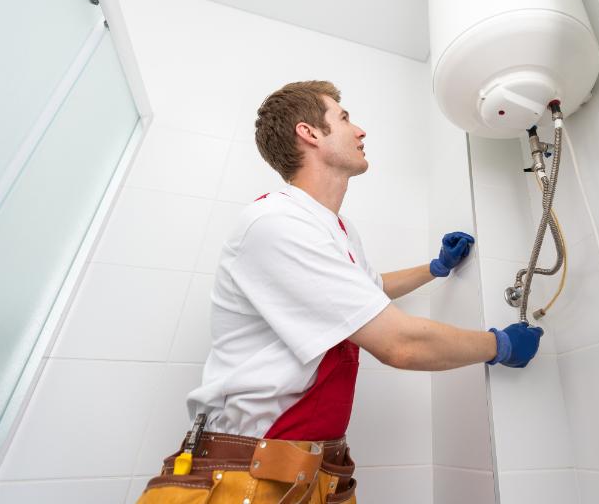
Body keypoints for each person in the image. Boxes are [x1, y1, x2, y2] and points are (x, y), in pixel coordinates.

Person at [136, 80, 543, 504]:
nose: (361, 131)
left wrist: (435, 269)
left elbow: (368, 291)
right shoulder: (275, 222)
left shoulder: (336, 229)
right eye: (345, 118)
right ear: (308, 133)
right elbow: (398, 344)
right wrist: (500, 345)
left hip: (316, 470)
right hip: (246, 473)